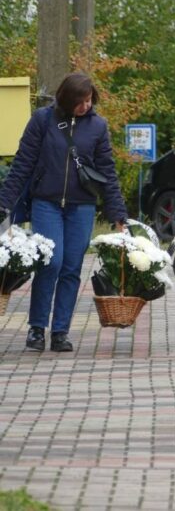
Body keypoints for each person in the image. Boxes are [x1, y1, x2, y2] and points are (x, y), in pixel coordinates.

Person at [0, 72, 128, 353]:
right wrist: (4, 204)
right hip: (45, 203)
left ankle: (60, 331)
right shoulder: (42, 121)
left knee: (71, 268)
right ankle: (36, 328)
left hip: (81, 207)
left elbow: (107, 172)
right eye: (80, 101)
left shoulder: (98, 126)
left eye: (89, 99)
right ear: (66, 100)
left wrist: (118, 213)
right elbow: (22, 164)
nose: (86, 106)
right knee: (51, 262)